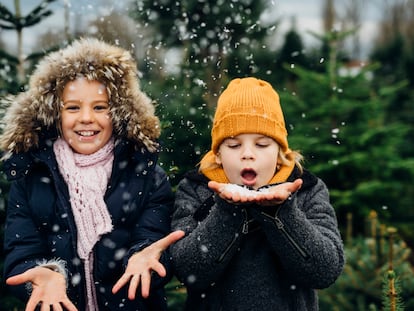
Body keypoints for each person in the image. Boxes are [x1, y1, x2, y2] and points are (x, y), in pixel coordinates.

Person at [1, 38, 184, 311]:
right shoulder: (31, 178)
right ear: (54, 114)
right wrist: (42, 275)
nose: (86, 118)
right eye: (73, 107)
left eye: (100, 107)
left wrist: (142, 258)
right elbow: (21, 251)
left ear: (120, 113)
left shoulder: (146, 175)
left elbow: (152, 239)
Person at [170, 77, 345, 310]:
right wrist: (226, 210)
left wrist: (280, 214)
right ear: (219, 154)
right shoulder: (196, 190)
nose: (248, 154)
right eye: (234, 145)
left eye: (262, 145)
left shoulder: (307, 190)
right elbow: (188, 271)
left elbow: (325, 271)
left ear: (280, 152)